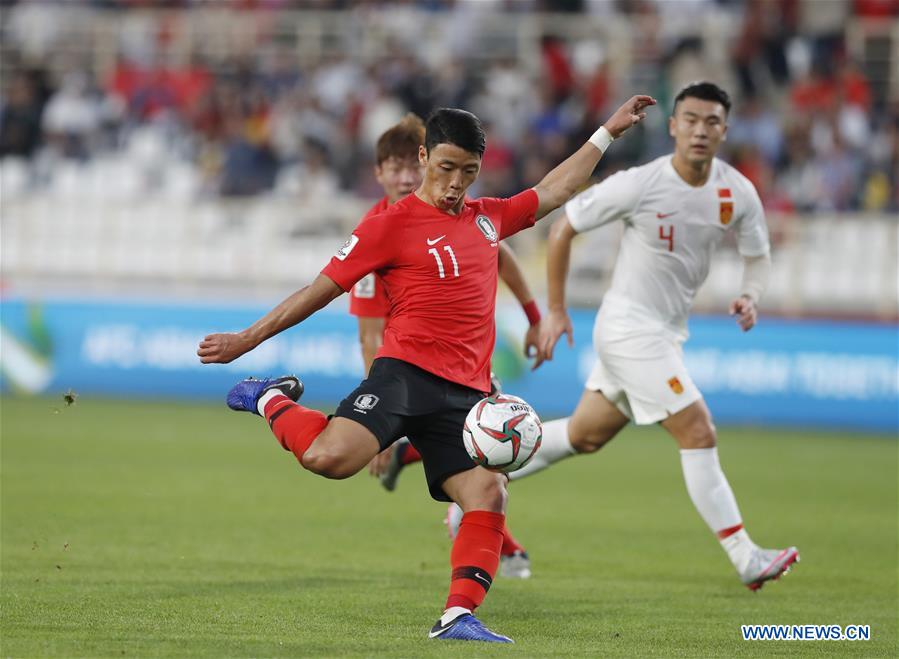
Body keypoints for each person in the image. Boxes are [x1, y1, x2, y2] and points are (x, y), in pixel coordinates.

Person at [197, 94, 655, 643]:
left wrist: (606, 131)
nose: (456, 183)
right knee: (328, 458)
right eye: (445, 168)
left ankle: (458, 615)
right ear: (423, 157)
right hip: (403, 376)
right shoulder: (387, 226)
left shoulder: (489, 220)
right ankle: (269, 397)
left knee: (488, 494)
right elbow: (317, 292)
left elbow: (557, 189)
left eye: (468, 171)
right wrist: (247, 339)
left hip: (467, 397)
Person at [505, 82, 798, 592]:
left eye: (711, 122)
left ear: (725, 130)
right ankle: (744, 556)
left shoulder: (737, 192)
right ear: (673, 126)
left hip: (663, 333)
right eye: (690, 119)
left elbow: (758, 255)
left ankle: (481, 477)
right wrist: (555, 310)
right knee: (698, 430)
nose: (700, 130)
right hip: (628, 330)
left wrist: (751, 295)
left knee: (582, 436)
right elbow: (563, 227)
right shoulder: (641, 183)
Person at [353, 114, 538, 579]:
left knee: (492, 455)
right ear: (379, 173)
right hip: (410, 366)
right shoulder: (376, 230)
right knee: (494, 450)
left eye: (407, 167)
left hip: (462, 362)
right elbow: (370, 332)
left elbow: (503, 255)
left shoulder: (461, 212)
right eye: (390, 168)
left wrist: (535, 314)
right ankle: (493, 541)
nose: (402, 177)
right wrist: (375, 410)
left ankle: (416, 462)